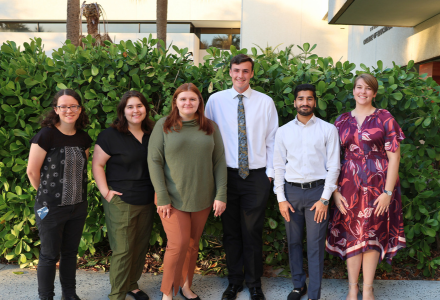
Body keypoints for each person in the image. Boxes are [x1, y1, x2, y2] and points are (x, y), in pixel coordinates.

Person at [326, 74, 406, 300]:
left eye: (368, 88)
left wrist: (388, 193)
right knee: (352, 235)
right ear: (353, 91)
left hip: (379, 187)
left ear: (375, 93)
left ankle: (368, 288)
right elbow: (331, 160)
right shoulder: (340, 121)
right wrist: (334, 192)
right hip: (347, 187)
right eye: (359, 87)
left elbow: (395, 157)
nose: (363, 92)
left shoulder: (385, 118)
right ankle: (353, 288)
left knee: (373, 233)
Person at [205, 54, 278, 300]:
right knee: (231, 232)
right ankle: (234, 282)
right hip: (225, 175)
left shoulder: (265, 102)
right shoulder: (215, 100)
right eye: (236, 70)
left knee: (253, 231)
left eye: (245, 71)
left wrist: (269, 175)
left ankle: (254, 284)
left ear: (252, 74)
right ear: (229, 72)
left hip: (256, 176)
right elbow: (208, 139)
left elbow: (272, 139)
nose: (240, 76)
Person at [148, 83, 227, 300]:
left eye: (193, 99)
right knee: (177, 244)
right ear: (175, 102)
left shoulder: (210, 127)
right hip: (170, 198)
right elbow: (154, 161)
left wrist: (221, 194)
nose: (188, 103)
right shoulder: (163, 125)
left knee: (192, 245)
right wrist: (162, 196)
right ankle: (167, 292)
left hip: (202, 197)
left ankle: (185, 285)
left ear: (199, 102)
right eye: (183, 99)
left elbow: (219, 162)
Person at [273, 84, 340, 300]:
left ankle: (313, 294)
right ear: (294, 102)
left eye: (309, 99)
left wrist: (324, 199)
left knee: (315, 245)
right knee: (293, 242)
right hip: (291, 193)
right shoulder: (283, 131)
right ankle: (298, 285)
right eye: (300, 99)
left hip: (317, 194)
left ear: (314, 102)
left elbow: (334, 166)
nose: (304, 103)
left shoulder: (328, 129)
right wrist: (281, 199)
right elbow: (278, 167)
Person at [27, 89, 92, 300]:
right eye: (63, 106)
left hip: (78, 206)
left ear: (80, 109)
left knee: (70, 253)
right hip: (50, 208)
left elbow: (83, 167)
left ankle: (69, 295)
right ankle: (46, 297)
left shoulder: (83, 137)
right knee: (48, 256)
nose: (69, 110)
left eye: (73, 106)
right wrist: (47, 195)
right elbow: (32, 171)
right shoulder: (46, 135)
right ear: (56, 109)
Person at [92, 91, 155, 300]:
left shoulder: (153, 133)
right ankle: (117, 294)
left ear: (145, 108)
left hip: (147, 199)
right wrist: (106, 192)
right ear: (123, 111)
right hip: (121, 200)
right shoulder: (110, 136)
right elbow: (98, 165)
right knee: (123, 250)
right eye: (130, 107)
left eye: (139, 105)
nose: (135, 110)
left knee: (139, 246)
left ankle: (131, 284)